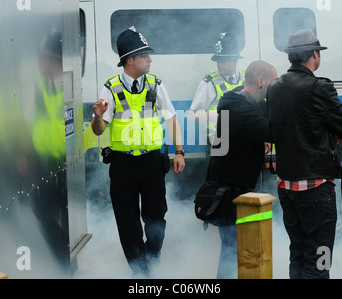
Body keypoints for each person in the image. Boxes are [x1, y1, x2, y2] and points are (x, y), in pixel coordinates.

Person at [91, 26, 186, 277]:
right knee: (128, 223)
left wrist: (179, 152)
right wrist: (97, 117)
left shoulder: (156, 84)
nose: (150, 59)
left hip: (153, 163)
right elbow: (99, 131)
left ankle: (151, 261)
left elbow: (171, 118)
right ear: (130, 60)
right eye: (145, 56)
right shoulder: (110, 88)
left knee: (156, 220)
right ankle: (141, 273)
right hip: (123, 166)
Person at [266, 29, 342, 279]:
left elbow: (272, 132)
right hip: (316, 188)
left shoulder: (274, 87)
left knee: (297, 254)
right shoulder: (319, 87)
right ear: (315, 55)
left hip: (286, 187)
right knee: (320, 260)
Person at [207, 60, 277, 279]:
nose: (274, 89)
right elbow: (271, 132)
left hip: (234, 185)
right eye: (273, 83)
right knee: (232, 249)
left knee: (235, 248)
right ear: (260, 82)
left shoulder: (241, 99)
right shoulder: (238, 107)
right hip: (228, 190)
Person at [188, 32, 245, 146]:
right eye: (218, 60)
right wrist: (209, 115)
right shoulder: (210, 82)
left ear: (235, 60)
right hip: (219, 145)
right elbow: (192, 115)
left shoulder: (247, 79)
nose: (219, 64)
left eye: (224, 61)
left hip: (244, 143)